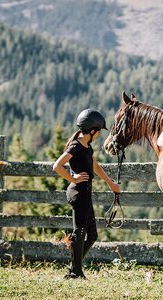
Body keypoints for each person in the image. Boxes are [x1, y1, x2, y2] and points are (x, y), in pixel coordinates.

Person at [53, 108, 121, 279]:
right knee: (80, 232)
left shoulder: (86, 146)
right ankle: (76, 272)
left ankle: (73, 267)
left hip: (85, 193)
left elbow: (95, 166)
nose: (99, 135)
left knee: (92, 235)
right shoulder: (76, 146)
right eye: (98, 131)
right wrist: (73, 178)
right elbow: (57, 166)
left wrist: (110, 183)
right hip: (78, 192)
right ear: (92, 131)